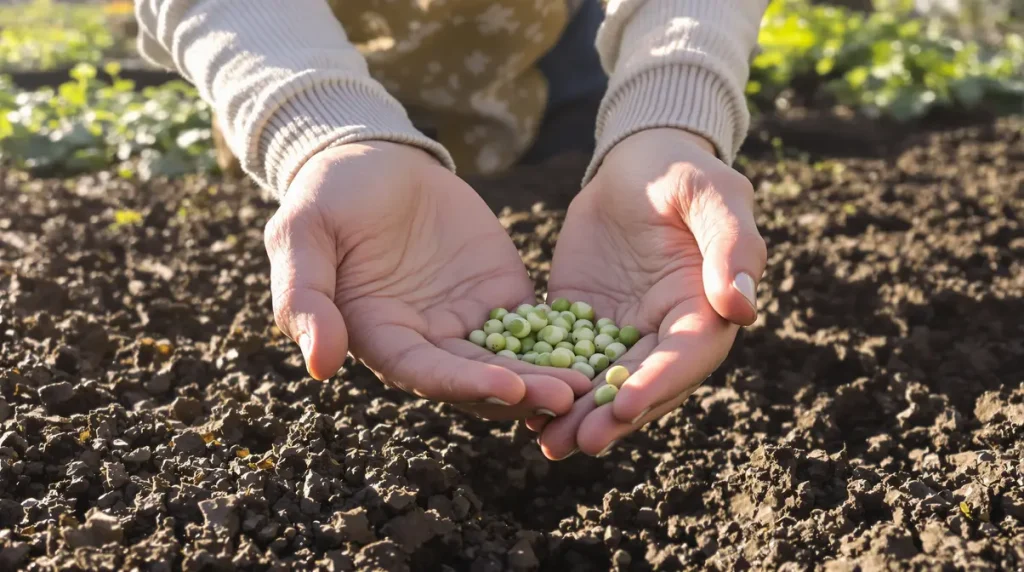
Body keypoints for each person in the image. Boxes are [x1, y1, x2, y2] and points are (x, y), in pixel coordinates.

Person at [134, 0, 770, 460]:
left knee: (556, 156)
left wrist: (666, 115)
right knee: (338, 233)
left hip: (542, 42)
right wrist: (319, 128)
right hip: (286, 44)